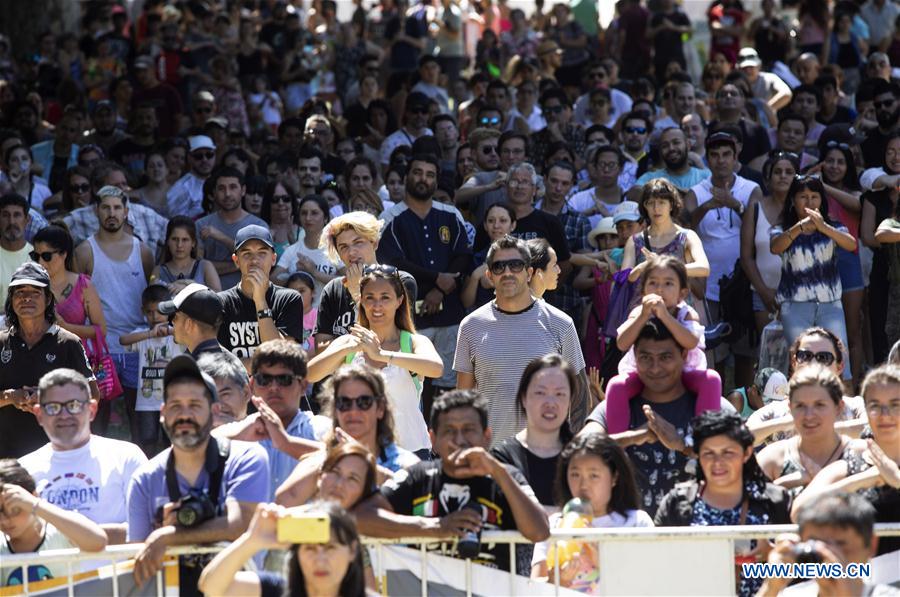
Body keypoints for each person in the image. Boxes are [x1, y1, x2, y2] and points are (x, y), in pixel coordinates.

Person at [356, 389, 550, 572]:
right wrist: (436, 528)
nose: (459, 440)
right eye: (449, 431)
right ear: (433, 439)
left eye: (469, 430)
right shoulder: (418, 477)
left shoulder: (506, 475)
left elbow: (540, 531)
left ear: (486, 436)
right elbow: (359, 518)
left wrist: (497, 471)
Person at [126, 354, 270, 592]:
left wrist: (167, 535)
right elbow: (140, 559)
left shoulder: (246, 459)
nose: (184, 415)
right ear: (162, 413)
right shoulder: (145, 478)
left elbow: (240, 524)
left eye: (194, 405)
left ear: (214, 411)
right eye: (175, 406)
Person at [583, 318, 737, 516]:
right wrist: (634, 437)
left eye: (665, 357)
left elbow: (741, 464)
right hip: (630, 534)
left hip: (697, 533)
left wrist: (682, 445)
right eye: (646, 357)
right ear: (634, 357)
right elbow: (579, 451)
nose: (655, 368)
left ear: (683, 354)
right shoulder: (613, 407)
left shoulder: (717, 407)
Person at [454, 235, 588, 444]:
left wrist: (573, 449)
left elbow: (579, 396)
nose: (507, 272)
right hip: (491, 457)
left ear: (529, 273)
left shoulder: (561, 324)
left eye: (516, 265)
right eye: (499, 267)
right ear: (489, 276)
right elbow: (463, 400)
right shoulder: (470, 326)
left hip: (546, 456)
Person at [654, 410, 792, 597]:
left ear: (747, 453)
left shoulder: (775, 501)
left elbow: (815, 572)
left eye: (728, 453)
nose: (718, 462)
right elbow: (656, 568)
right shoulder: (678, 502)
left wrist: (773, 559)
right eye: (709, 453)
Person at [307, 266, 443, 456]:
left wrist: (381, 355)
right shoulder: (349, 342)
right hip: (359, 454)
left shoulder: (413, 342)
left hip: (412, 452)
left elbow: (436, 368)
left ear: (399, 301)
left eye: (385, 297)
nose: (377, 305)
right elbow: (310, 374)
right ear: (361, 301)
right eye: (370, 298)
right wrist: (347, 348)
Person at [378, 153, 472, 403]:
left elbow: (463, 255)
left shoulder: (451, 215)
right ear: (407, 176)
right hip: (409, 320)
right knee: (411, 386)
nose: (423, 179)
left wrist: (439, 290)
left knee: (450, 388)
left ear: (436, 181)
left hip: (450, 315)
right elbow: (393, 262)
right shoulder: (389, 220)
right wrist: (436, 278)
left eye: (430, 175)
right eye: (418, 172)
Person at [19, 368, 147, 544]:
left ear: (92, 409)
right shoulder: (24, 469)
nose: (64, 415)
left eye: (73, 406)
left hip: (116, 571)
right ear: (39, 414)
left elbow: (148, 529)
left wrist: (75, 536)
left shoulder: (126, 457)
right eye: (53, 407)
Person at [791, 364, 900, 556]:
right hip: (865, 578)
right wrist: (868, 479)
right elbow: (799, 512)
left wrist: (897, 479)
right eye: (875, 405)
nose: (885, 415)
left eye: (895, 405)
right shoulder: (848, 465)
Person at [275, 363, 420, 508]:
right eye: (344, 402)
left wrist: (365, 464)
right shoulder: (322, 457)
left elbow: (420, 515)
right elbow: (283, 502)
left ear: (380, 408)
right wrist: (328, 459)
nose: (353, 411)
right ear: (335, 409)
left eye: (364, 402)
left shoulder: (405, 464)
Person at [606, 256, 722, 434]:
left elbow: (691, 342)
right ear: (643, 291)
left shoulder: (686, 313)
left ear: (682, 293)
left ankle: (705, 437)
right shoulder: (638, 312)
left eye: (668, 284)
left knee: (712, 380)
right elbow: (622, 343)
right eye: (653, 283)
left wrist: (665, 317)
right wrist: (644, 316)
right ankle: (617, 444)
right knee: (616, 385)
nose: (659, 289)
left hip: (685, 373)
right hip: (644, 373)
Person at [73, 184, 154, 432]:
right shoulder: (85, 251)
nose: (112, 213)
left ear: (126, 212)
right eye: (106, 207)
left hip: (137, 346)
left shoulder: (142, 250)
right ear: (96, 211)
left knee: (140, 421)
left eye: (117, 207)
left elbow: (149, 294)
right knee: (98, 418)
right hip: (100, 348)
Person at [0, 262, 100, 458]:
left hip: (57, 454)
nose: (26, 298)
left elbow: (92, 395)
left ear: (47, 300)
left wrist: (47, 398)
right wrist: (11, 397)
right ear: (11, 300)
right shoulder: (1, 342)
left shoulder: (68, 343)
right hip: (6, 456)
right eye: (19, 293)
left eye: (35, 293)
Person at [531, 433, 652, 590]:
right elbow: (533, 587)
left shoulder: (637, 523)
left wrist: (604, 563)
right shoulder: (553, 525)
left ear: (614, 477)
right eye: (575, 474)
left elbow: (649, 585)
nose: (583, 485)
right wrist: (555, 582)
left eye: (594, 476)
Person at [219, 340, 329, 499]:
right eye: (265, 379)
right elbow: (188, 452)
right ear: (251, 384)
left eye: (284, 379)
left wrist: (286, 443)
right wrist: (232, 437)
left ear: (303, 385)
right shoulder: (236, 433)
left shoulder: (323, 430)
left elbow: (349, 464)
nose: (274, 387)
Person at [770, 176, 855, 373]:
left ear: (822, 200)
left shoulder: (834, 227)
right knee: (802, 365)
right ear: (793, 200)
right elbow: (775, 247)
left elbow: (851, 244)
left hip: (830, 305)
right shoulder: (781, 229)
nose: (809, 202)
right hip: (794, 306)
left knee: (839, 365)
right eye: (803, 197)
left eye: (814, 196)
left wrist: (823, 226)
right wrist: (799, 228)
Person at [196, 501, 367, 597]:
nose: (320, 560)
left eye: (330, 548)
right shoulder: (276, 591)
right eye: (310, 549)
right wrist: (252, 540)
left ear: (352, 550)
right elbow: (213, 588)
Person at [747, 327, 868, 446]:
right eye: (805, 356)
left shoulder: (855, 406)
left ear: (839, 367)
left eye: (824, 357)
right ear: (794, 363)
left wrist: (818, 428)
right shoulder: (777, 410)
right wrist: (791, 421)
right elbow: (746, 436)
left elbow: (872, 427)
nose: (813, 363)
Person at [314, 211, 417, 349]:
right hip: (342, 370)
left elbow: (393, 339)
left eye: (358, 243)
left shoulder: (400, 281)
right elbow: (320, 347)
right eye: (344, 247)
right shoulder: (333, 288)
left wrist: (357, 293)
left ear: (374, 243)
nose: (351, 252)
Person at [0, 459, 107, 587]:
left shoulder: (59, 530)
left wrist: (36, 505)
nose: (4, 520)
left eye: (14, 510)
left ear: (33, 496)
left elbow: (98, 542)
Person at [491, 354, 575, 511]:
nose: (550, 403)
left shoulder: (582, 455)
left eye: (559, 394)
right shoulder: (502, 458)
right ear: (524, 398)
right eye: (540, 393)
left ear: (570, 401)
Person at [756, 366, 853, 494]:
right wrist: (778, 487)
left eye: (819, 405)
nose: (809, 415)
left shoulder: (860, 455)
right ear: (790, 408)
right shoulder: (771, 461)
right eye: (800, 406)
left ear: (839, 407)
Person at [217, 224, 304, 359]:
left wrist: (260, 300)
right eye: (247, 254)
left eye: (262, 253)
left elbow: (283, 358)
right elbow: (216, 360)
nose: (254, 261)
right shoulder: (221, 302)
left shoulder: (288, 298)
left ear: (274, 258)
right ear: (236, 261)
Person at [118, 285, 184, 455]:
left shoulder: (177, 335)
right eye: (149, 312)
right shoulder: (142, 334)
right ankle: (149, 470)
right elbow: (123, 340)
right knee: (147, 439)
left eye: (160, 311)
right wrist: (150, 334)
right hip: (147, 401)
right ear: (143, 311)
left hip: (172, 400)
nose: (155, 317)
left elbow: (191, 331)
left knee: (173, 440)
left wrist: (169, 330)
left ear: (170, 309)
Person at [740, 151, 799, 334]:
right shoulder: (755, 209)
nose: (783, 176)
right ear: (768, 178)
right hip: (763, 293)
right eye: (778, 171)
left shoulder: (805, 209)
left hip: (801, 295)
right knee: (768, 355)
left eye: (789, 172)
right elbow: (746, 257)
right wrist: (764, 291)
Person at [31, 224, 108, 346]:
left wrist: (65, 327)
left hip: (74, 360)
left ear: (63, 254)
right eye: (35, 256)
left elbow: (101, 330)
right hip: (38, 360)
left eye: (46, 256)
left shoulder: (83, 286)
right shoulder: (29, 285)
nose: (40, 262)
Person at [195, 167, 267, 290]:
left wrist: (220, 236)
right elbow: (197, 267)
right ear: (214, 192)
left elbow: (257, 264)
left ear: (243, 190)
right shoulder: (201, 225)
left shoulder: (258, 226)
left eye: (233, 187)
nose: (227, 194)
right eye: (221, 188)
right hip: (210, 300)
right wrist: (237, 264)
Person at [272, 194, 339, 308]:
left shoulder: (336, 249)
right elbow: (272, 280)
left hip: (331, 315)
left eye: (314, 213)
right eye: (304, 213)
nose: (308, 218)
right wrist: (294, 277)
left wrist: (314, 272)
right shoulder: (292, 251)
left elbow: (349, 281)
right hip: (300, 317)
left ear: (326, 218)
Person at [462, 202, 517, 310]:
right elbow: (466, 303)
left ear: (513, 225)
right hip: (485, 322)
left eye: (503, 220)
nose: (496, 226)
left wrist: (496, 282)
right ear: (485, 226)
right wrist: (475, 276)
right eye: (491, 221)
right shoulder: (477, 258)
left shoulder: (525, 255)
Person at [151, 216, 222, 294]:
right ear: (167, 241)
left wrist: (190, 289)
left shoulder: (205, 266)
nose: (179, 245)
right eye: (175, 239)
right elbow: (151, 299)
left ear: (193, 243)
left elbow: (219, 296)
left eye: (185, 240)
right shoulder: (158, 271)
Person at [157, 283, 225, 359]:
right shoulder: (233, 361)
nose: (172, 322)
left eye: (175, 317)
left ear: (189, 324)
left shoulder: (191, 367)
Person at [165, 135, 217, 220]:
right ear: (189, 158)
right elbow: (176, 222)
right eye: (198, 156)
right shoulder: (181, 187)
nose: (205, 160)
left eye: (209, 155)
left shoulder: (220, 181)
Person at [197, 350, 251, 427]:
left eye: (225, 394)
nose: (218, 405)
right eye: (210, 396)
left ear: (246, 392)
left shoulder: (271, 435)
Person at [0, 193, 33, 309]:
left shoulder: (38, 257)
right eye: (5, 215)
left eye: (17, 215)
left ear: (27, 220)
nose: (11, 222)